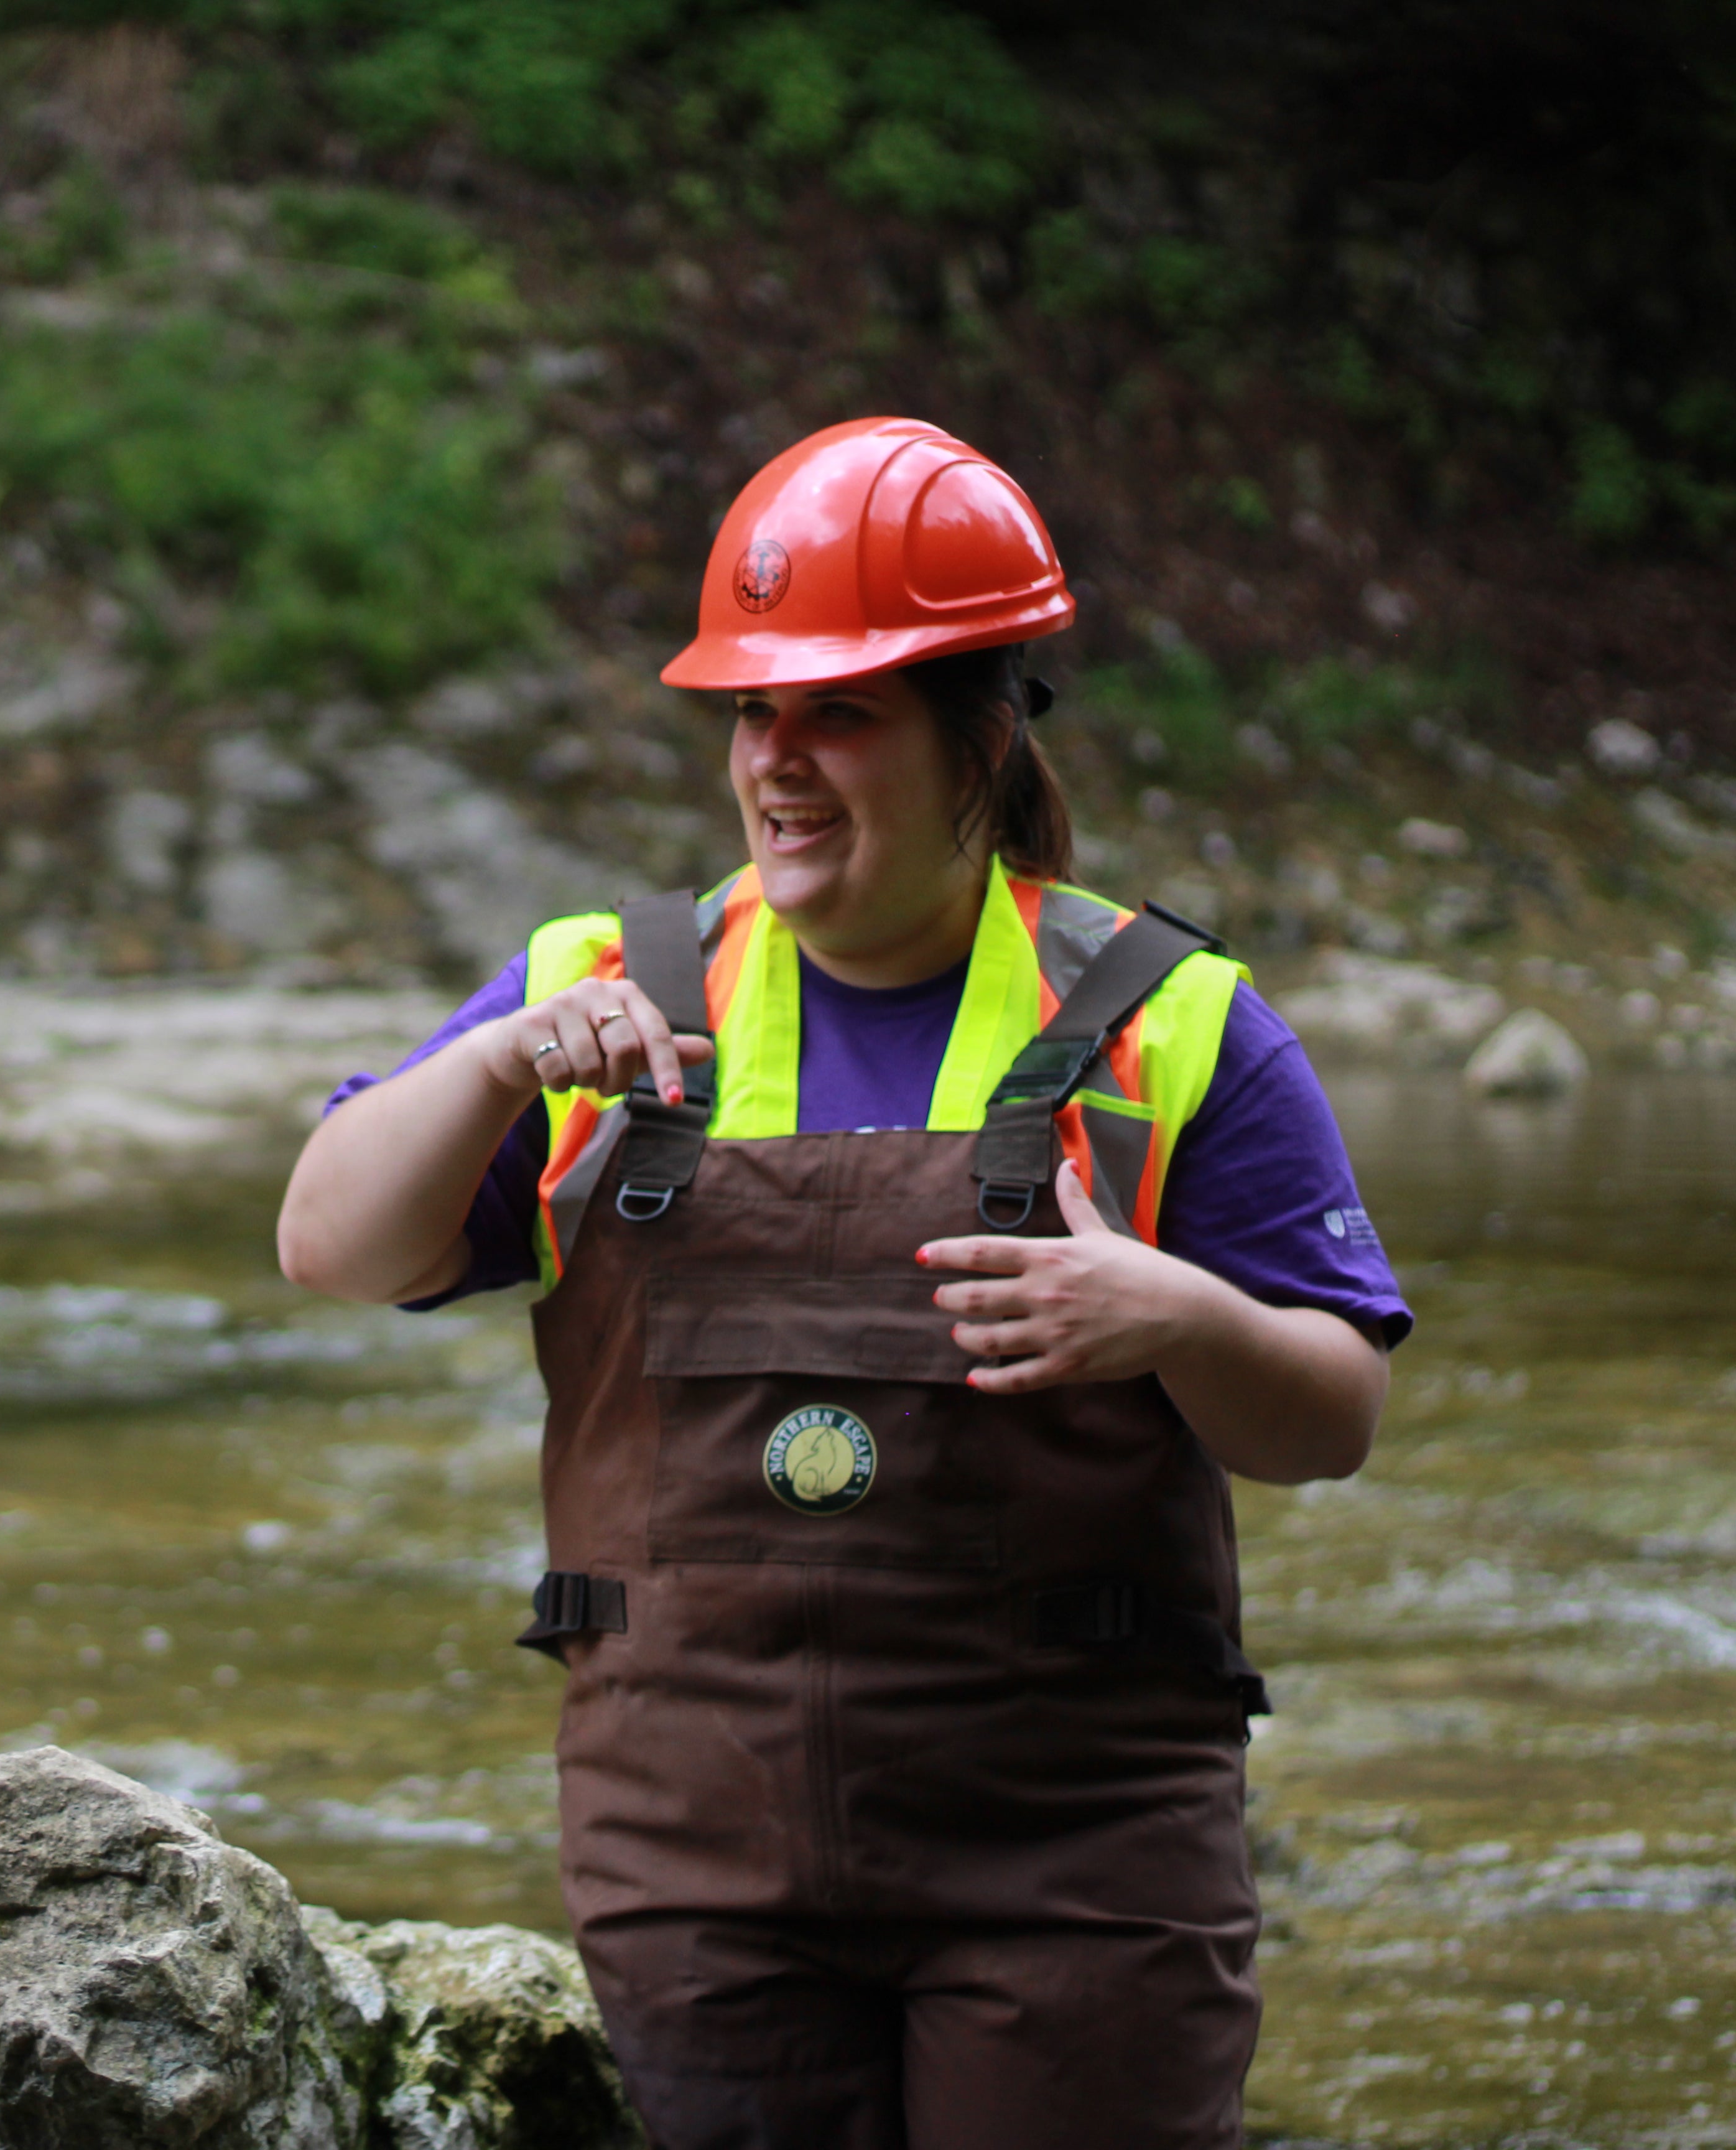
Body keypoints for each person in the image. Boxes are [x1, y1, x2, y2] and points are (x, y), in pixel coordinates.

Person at [278, 416, 1404, 2148]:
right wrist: (500, 1062)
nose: (780, 764)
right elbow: (330, 1248)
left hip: (1079, 1866)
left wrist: (1181, 1318)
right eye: (754, 711)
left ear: (985, 731)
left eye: (841, 713)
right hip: (694, 1867)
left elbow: (1329, 1420)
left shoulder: (1176, 1019)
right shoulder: (601, 989)